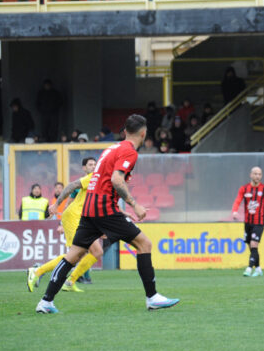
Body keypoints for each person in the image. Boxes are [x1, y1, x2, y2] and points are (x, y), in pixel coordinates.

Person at [35, 115, 180, 313]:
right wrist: (134, 205)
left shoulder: (112, 148)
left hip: (89, 207)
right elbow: (116, 180)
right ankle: (152, 297)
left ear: (124, 131)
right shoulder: (129, 152)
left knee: (74, 254)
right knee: (144, 244)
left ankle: (45, 301)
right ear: (144, 133)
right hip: (104, 207)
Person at [28, 158, 106, 293]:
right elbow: (71, 193)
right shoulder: (92, 178)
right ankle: (38, 271)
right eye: (90, 164)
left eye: (95, 164)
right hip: (74, 217)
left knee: (94, 252)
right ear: (84, 167)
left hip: (84, 219)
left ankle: (70, 281)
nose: (94, 167)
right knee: (75, 255)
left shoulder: (101, 181)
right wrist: (59, 214)